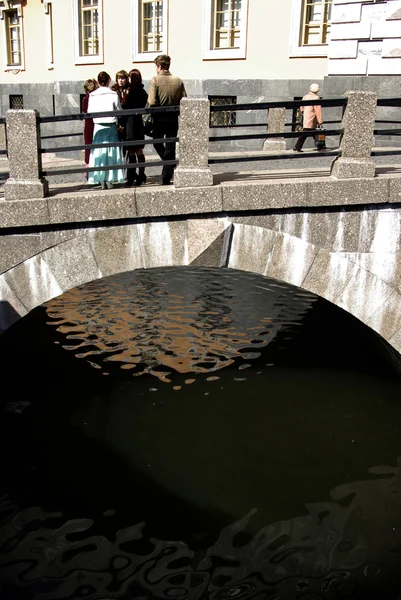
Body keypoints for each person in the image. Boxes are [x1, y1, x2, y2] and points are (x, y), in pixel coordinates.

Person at [147, 54, 187, 185]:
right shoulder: (178, 80)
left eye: (156, 67)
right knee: (170, 146)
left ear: (159, 66)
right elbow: (185, 99)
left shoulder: (155, 80)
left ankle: (169, 167)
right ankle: (166, 175)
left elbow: (152, 101)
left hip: (159, 117)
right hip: (173, 117)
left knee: (157, 142)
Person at [87, 71, 125, 190]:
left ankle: (100, 178)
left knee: (99, 151)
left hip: (98, 126)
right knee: (111, 151)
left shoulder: (92, 95)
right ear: (108, 81)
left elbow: (89, 112)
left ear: (98, 82)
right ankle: (110, 178)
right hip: (111, 125)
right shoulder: (113, 94)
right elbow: (119, 110)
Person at [122, 69, 148, 186]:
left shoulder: (130, 91)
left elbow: (125, 106)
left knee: (131, 151)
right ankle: (141, 175)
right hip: (138, 122)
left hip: (130, 122)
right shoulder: (143, 91)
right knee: (139, 151)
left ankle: (131, 176)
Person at [293, 83, 324, 152]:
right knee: (308, 132)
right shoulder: (316, 98)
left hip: (306, 117)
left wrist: (304, 112)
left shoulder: (305, 96)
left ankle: (320, 146)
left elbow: (301, 107)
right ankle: (297, 146)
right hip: (312, 118)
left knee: (312, 132)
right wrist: (320, 121)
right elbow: (318, 110)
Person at [82, 78, 97, 172]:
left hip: (88, 124)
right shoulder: (93, 98)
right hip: (95, 124)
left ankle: (89, 168)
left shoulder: (85, 99)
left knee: (88, 146)